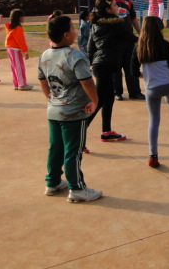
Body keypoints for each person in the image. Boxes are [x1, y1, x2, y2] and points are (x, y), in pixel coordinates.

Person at [39, 15, 102, 203]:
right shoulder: (75, 55)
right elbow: (87, 81)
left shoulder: (45, 55)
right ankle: (77, 188)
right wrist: (95, 100)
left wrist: (52, 100)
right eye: (73, 28)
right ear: (66, 35)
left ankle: (52, 182)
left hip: (54, 110)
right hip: (73, 112)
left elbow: (43, 81)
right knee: (73, 151)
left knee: (55, 148)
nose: (75, 31)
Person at [131, 16, 169, 168]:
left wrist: (144, 75)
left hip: (151, 89)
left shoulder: (139, 46)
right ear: (160, 28)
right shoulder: (166, 45)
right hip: (168, 85)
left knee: (154, 120)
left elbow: (133, 71)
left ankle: (153, 155)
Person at [87, 0, 130, 142]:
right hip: (105, 66)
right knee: (98, 101)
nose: (117, 8)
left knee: (109, 98)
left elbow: (90, 46)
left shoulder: (95, 24)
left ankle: (106, 131)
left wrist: (89, 62)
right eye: (114, 5)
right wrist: (149, 41)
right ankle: (78, 132)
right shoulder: (117, 24)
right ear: (107, 9)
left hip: (100, 66)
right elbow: (130, 39)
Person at [108, 0, 144, 101]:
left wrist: (140, 33)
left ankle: (135, 92)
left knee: (131, 66)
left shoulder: (127, 2)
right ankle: (117, 92)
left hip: (129, 41)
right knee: (116, 69)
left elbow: (133, 18)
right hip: (113, 42)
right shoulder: (105, 2)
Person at [5, 8, 33, 91]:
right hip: (14, 49)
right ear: (19, 18)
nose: (23, 18)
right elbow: (21, 41)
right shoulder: (17, 28)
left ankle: (17, 84)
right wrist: (25, 51)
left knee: (14, 67)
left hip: (10, 48)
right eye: (22, 16)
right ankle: (22, 84)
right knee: (19, 67)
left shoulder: (11, 27)